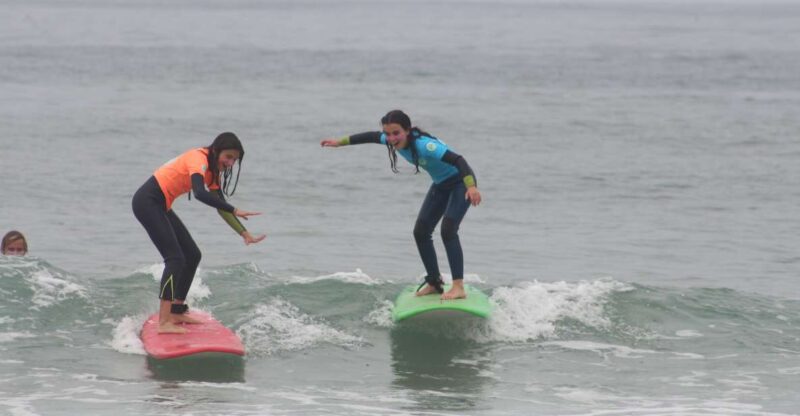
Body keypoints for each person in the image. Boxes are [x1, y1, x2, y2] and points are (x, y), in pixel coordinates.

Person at [321, 110, 482, 300]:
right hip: (441, 185)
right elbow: (371, 136)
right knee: (421, 231)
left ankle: (458, 287)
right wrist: (340, 142)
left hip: (461, 183)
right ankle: (434, 282)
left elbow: (459, 160)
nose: (391, 138)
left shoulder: (425, 146)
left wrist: (471, 187)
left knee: (448, 230)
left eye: (396, 133)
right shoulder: (391, 139)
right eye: (388, 134)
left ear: (407, 130)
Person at [132, 132, 265, 334]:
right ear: (216, 150)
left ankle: (176, 310)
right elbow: (199, 193)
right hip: (147, 202)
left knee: (193, 255)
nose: (230, 163)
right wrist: (234, 209)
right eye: (228, 157)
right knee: (175, 259)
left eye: (234, 160)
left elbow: (221, 206)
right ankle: (164, 321)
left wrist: (244, 233)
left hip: (161, 204)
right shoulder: (198, 159)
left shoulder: (213, 171)